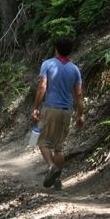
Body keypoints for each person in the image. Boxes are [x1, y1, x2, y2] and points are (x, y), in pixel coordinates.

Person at [32, 36, 84, 189]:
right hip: (67, 111)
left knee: (39, 140)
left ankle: (51, 167)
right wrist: (80, 114)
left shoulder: (47, 64)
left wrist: (36, 107)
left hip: (51, 109)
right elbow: (79, 94)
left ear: (55, 49)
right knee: (59, 147)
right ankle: (57, 180)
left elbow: (42, 87)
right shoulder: (75, 69)